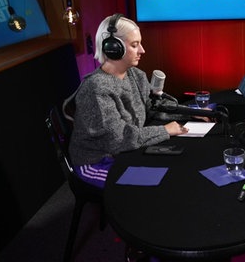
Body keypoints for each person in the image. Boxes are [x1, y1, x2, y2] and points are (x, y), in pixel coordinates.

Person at [68, 13, 188, 188]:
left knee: (173, 172)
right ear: (113, 47)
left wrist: (191, 112)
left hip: (124, 152)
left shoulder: (135, 75)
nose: (142, 50)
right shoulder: (96, 88)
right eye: (135, 45)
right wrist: (165, 130)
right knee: (147, 187)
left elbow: (153, 106)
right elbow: (119, 140)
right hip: (96, 162)